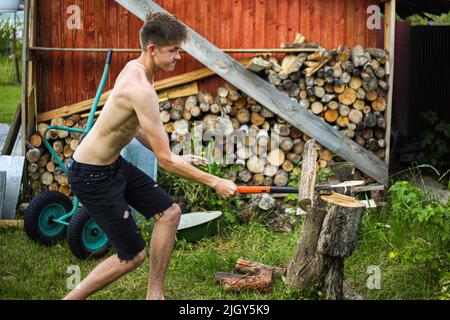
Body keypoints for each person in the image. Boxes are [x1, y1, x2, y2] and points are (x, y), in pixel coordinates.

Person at [64, 12, 237, 300]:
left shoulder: (138, 69)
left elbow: (132, 129)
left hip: (111, 166)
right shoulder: (141, 89)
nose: (178, 57)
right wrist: (214, 181)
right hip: (90, 174)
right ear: (153, 49)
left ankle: (154, 295)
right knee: (132, 256)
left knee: (169, 214)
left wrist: (174, 155)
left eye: (179, 50)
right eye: (173, 51)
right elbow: (164, 161)